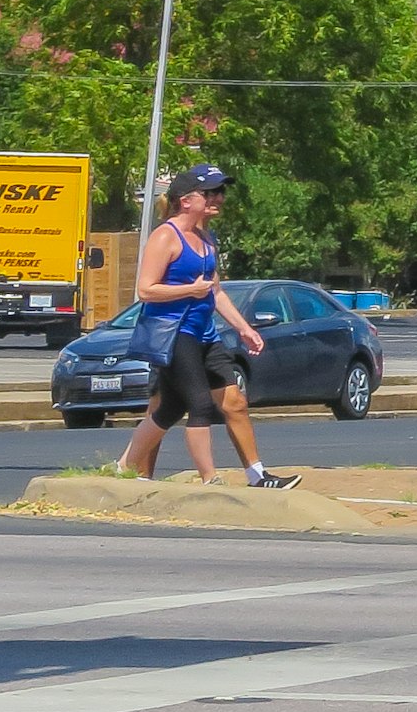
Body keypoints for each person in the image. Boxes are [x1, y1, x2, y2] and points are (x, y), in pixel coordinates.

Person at [115, 164, 296, 489]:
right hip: (174, 334)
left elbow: (214, 290)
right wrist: (189, 290)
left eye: (220, 191)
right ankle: (207, 478)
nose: (219, 198)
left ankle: (257, 475)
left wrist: (243, 327)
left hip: (205, 335)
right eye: (211, 192)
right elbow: (145, 290)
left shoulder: (205, 238)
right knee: (197, 405)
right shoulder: (165, 237)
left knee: (224, 402)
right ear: (186, 200)